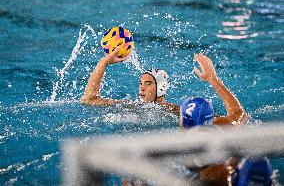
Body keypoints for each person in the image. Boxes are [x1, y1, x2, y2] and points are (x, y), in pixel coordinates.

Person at [81, 47, 247, 125]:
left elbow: (237, 118)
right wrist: (104, 62)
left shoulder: (179, 111)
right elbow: (88, 99)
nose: (142, 88)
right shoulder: (131, 106)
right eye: (140, 83)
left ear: (160, 88)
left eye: (148, 84)